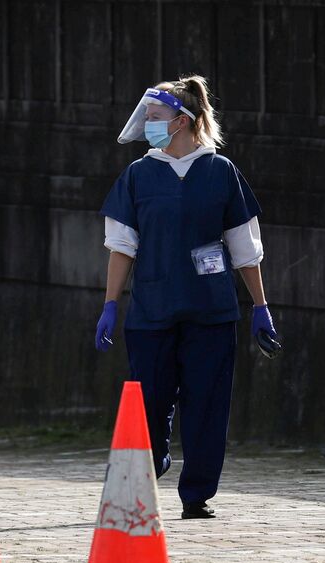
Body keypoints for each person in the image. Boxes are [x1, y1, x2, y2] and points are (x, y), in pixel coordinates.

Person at [96, 76, 280, 520]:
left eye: (155, 119)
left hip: (210, 311)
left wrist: (260, 306)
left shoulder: (221, 172)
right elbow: (122, 245)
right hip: (152, 311)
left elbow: (243, 246)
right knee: (151, 400)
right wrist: (110, 304)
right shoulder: (139, 175)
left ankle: (196, 493)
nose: (148, 126)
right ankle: (155, 453)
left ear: (181, 121)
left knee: (207, 402)